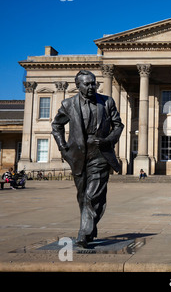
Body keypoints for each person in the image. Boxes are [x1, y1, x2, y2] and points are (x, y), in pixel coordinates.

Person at [52, 70, 124, 248]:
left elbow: (118, 125)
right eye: (87, 84)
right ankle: (90, 228)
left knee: (92, 196)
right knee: (82, 196)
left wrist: (108, 140)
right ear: (78, 86)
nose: (92, 86)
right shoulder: (68, 104)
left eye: (94, 83)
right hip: (77, 155)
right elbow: (57, 125)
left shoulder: (107, 102)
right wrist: (63, 147)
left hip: (100, 153)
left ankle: (83, 233)